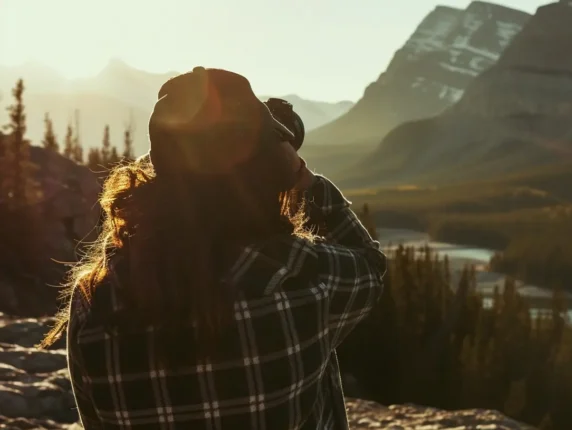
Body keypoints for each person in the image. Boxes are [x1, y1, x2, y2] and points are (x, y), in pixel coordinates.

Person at [39, 67, 387, 429]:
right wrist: (306, 181)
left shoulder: (96, 299)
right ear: (268, 169)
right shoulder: (301, 278)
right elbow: (371, 266)